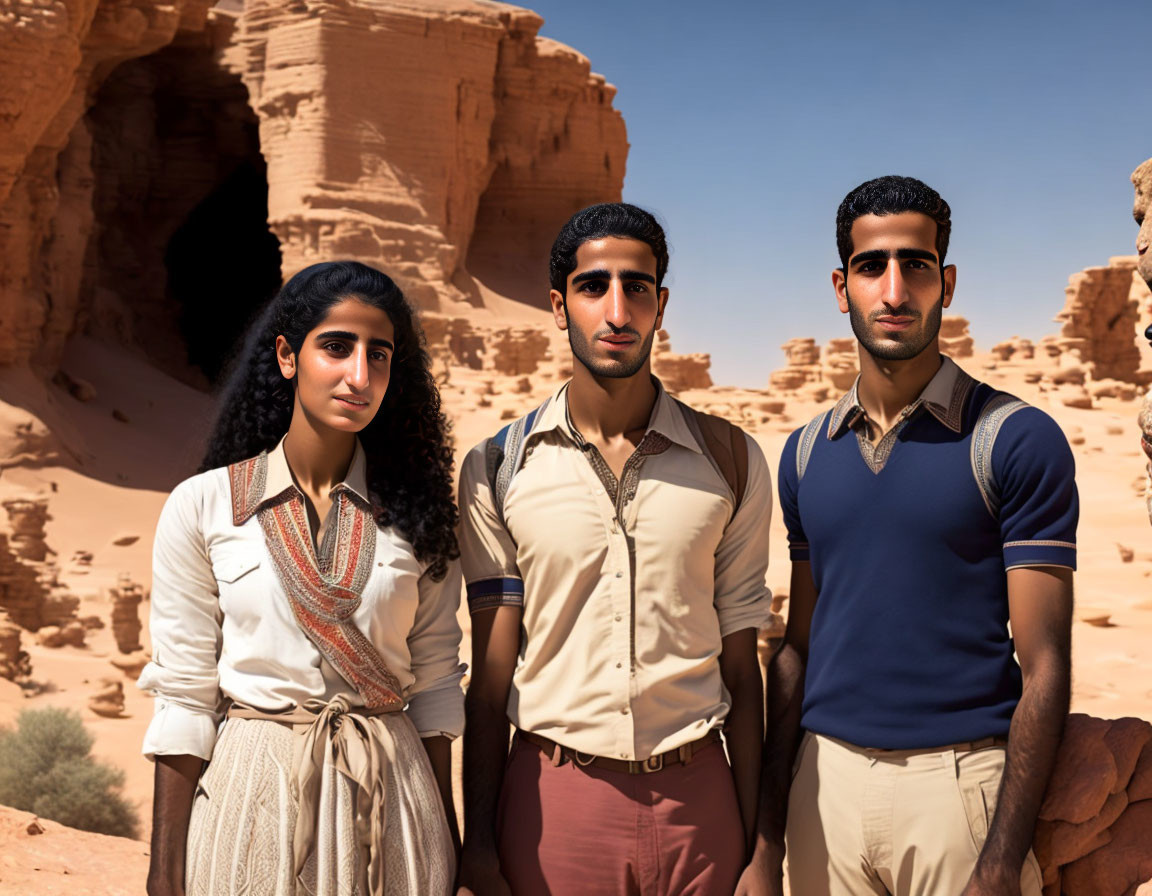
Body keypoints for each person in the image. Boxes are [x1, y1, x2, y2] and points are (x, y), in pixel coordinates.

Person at [748, 176, 1077, 896]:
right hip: (823, 793)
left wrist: (996, 866)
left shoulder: (1015, 440)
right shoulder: (805, 453)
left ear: (946, 282)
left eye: (916, 266)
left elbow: (1046, 664)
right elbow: (797, 650)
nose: (894, 291)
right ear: (842, 286)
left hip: (958, 794)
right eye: (872, 268)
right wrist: (768, 839)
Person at [455, 202, 773, 896]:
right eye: (593, 286)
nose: (617, 310)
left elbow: (743, 671)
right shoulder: (498, 466)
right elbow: (490, 681)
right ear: (558, 303)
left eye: (637, 288)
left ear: (660, 305)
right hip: (555, 807)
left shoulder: (731, 460)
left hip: (702, 805)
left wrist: (757, 846)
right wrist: (477, 845)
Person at [138, 261, 464, 896]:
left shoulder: (421, 517)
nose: (359, 375)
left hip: (394, 801)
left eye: (380, 355)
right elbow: (184, 694)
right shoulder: (202, 506)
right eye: (336, 347)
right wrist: (164, 873)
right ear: (288, 355)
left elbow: (436, 689)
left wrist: (446, 843)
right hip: (249, 796)